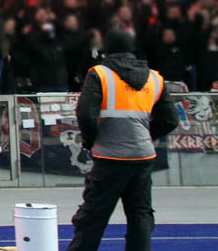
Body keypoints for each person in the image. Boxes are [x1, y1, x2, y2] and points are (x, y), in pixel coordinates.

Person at [65, 29, 180, 251]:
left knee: (92, 216)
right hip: (143, 155)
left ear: (107, 48)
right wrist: (146, 135)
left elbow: (85, 113)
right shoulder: (154, 77)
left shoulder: (100, 74)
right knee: (141, 215)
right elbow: (170, 119)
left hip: (110, 155)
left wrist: (91, 141)